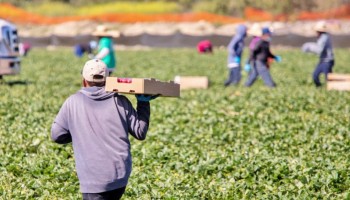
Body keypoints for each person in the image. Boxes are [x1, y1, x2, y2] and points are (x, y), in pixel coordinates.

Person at [51, 59, 158, 200]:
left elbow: (56, 135)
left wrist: (79, 133)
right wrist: (143, 103)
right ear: (108, 80)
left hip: (94, 180)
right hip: (120, 177)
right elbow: (140, 132)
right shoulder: (121, 101)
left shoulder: (73, 102)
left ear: (84, 81)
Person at [302, 21, 334, 87]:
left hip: (327, 61)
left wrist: (309, 46)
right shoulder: (322, 37)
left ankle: (331, 90)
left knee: (328, 78)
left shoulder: (324, 37)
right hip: (322, 61)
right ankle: (320, 88)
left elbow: (319, 50)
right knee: (315, 75)